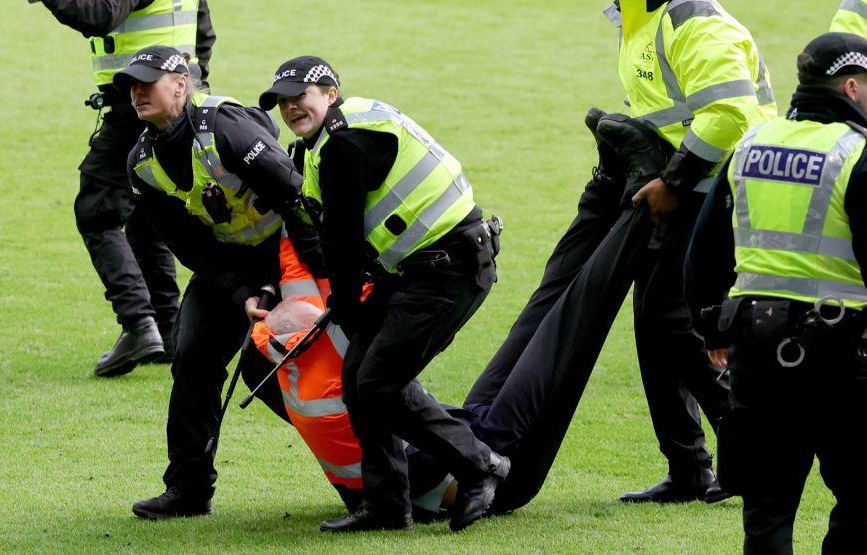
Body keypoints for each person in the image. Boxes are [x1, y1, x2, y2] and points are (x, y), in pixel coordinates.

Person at [466, 0, 778, 504]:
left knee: (675, 323)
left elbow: (730, 112)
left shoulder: (688, 17)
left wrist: (672, 181)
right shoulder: (639, 19)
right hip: (690, 188)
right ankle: (690, 468)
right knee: (656, 322)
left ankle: (750, 451)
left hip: (717, 192)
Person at [258, 56, 508, 532]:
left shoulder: (344, 143)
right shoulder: (329, 139)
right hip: (417, 271)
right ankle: (388, 507)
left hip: (448, 270)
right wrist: (349, 305)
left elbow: (343, 238)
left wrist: (347, 305)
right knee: (359, 380)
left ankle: (480, 466)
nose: (291, 109)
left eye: (300, 97)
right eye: (283, 102)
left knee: (377, 383)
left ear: (330, 93)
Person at [244, 227, 610, 522]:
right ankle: (621, 214)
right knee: (564, 326)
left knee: (546, 318)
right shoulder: (344, 359)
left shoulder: (274, 369)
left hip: (459, 441)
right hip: (497, 473)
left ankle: (605, 205)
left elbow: (296, 266)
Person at [111, 46, 315, 519]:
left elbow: (297, 197)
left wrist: (289, 276)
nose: (137, 92)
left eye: (149, 82)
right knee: (193, 357)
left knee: (271, 374)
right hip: (227, 266)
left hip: (293, 252)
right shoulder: (140, 164)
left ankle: (374, 461)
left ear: (180, 84)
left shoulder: (225, 127)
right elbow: (191, 249)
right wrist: (244, 292)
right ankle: (188, 489)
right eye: (131, 86)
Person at [685, 31, 867, 555]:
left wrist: (709, 327)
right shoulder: (856, 155)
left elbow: (704, 250)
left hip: (757, 351)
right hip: (845, 357)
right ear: (852, 87)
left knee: (767, 507)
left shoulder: (751, 145)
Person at [31, 0, 216, 377]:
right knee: (151, 217)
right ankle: (166, 329)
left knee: (97, 213)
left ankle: (137, 324)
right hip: (176, 101)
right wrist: (189, 89)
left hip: (140, 104)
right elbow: (204, 33)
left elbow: (99, 15)